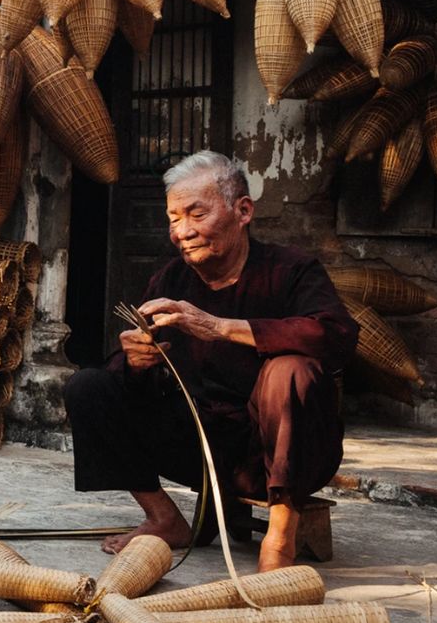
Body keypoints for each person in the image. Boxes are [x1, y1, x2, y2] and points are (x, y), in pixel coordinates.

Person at [63, 152, 358, 572]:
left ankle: (280, 536)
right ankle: (164, 518)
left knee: (291, 370)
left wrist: (220, 327)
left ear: (242, 211)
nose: (182, 232)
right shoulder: (171, 280)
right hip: (202, 448)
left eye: (195, 214)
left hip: (281, 451)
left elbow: (337, 336)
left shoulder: (292, 270)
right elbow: (126, 381)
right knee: (89, 387)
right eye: (172, 218)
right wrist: (135, 359)